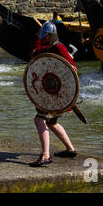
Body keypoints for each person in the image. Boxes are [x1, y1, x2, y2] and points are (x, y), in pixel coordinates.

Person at [29, 21, 77, 167]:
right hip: (52, 92)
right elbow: (36, 56)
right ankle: (70, 149)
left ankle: (45, 155)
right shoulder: (51, 48)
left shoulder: (59, 47)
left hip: (55, 94)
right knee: (52, 122)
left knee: (39, 120)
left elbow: (72, 69)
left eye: (44, 37)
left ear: (49, 36)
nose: (42, 39)